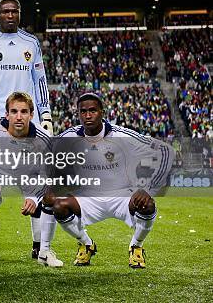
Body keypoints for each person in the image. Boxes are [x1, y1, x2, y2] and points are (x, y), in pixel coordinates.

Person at [0, 0, 53, 259]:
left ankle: (39, 247)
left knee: (35, 185)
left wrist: (46, 113)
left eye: (14, 11)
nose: (10, 15)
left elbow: (39, 80)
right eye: (5, 11)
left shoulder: (31, 43)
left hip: (28, 126)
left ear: (19, 13)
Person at [52, 93, 174, 268]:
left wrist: (148, 188)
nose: (88, 115)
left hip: (122, 195)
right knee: (58, 206)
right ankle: (86, 244)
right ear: (78, 114)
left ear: (102, 112)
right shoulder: (68, 137)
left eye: (92, 110)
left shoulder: (121, 135)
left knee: (148, 204)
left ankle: (136, 246)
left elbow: (165, 150)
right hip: (88, 197)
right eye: (83, 111)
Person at [0, 92, 63, 267]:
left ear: (31, 115)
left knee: (51, 196)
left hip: (27, 176)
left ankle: (45, 251)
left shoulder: (43, 138)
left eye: (24, 112)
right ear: (6, 114)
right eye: (14, 111)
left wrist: (34, 197)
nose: (18, 117)